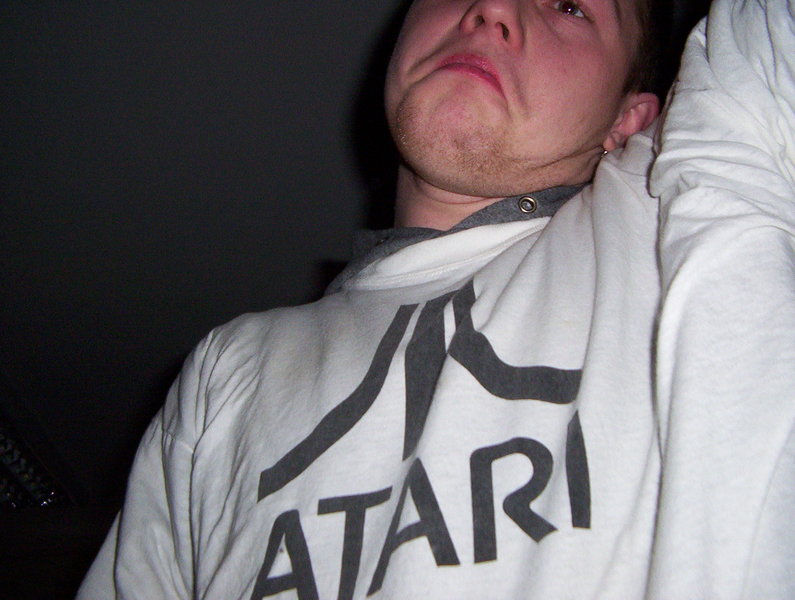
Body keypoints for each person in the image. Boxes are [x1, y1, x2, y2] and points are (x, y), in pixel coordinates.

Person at [78, 0, 795, 598]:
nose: (493, 9)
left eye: (570, 6)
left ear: (629, 120)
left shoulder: (677, 207)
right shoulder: (226, 367)